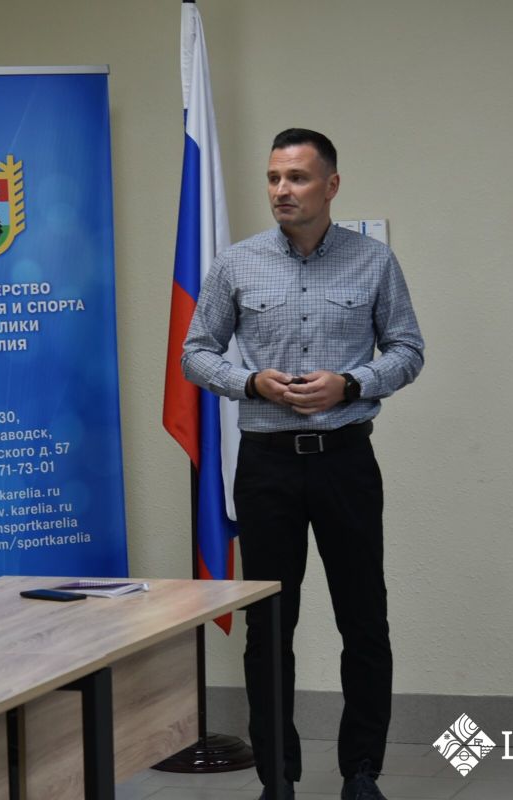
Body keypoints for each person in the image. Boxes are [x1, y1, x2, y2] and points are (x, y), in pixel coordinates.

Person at [181, 128, 425, 800]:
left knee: (363, 620)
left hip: (345, 461)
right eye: (274, 178)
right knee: (268, 627)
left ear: (331, 186)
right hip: (267, 468)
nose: (282, 190)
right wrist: (249, 383)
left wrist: (351, 384)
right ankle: (277, 778)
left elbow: (408, 349)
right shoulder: (236, 263)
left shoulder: (374, 262)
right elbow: (195, 353)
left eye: (297, 178)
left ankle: (361, 773)